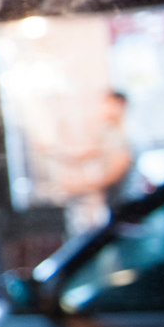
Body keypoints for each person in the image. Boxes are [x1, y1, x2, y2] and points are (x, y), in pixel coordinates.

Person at [59, 90, 139, 234]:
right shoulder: (110, 131)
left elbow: (114, 174)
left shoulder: (125, 134)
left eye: (108, 104)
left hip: (128, 204)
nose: (103, 109)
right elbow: (88, 153)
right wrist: (55, 151)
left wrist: (79, 188)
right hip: (115, 203)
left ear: (120, 105)